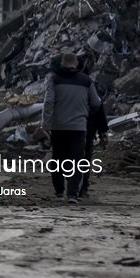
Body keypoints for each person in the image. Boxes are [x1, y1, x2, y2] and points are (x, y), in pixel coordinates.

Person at [40, 52, 103, 204]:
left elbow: (49, 103)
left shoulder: (54, 79)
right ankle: (73, 194)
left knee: (57, 159)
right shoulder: (86, 80)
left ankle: (59, 193)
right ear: (76, 64)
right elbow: (96, 103)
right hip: (78, 128)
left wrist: (46, 124)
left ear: (62, 63)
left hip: (58, 127)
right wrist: (86, 113)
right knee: (77, 160)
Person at [78, 59, 109, 198]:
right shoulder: (91, 85)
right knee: (85, 158)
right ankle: (82, 187)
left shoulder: (62, 83)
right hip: (88, 127)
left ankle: (73, 186)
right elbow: (98, 107)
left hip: (69, 127)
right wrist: (103, 130)